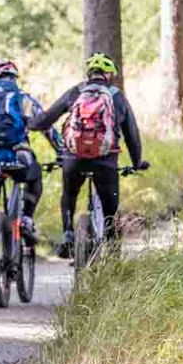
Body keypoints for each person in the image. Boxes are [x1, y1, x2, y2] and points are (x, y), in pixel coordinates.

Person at [31, 52, 148, 258]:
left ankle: (68, 234)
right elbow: (132, 134)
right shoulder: (117, 96)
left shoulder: (75, 92)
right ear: (109, 75)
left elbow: (46, 119)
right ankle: (112, 252)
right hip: (105, 161)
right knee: (110, 208)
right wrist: (137, 162)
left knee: (69, 194)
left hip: (73, 158)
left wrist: (29, 123)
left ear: (89, 73)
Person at [0, 58, 59, 283]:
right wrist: (61, 152)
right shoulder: (23, 99)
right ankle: (27, 218)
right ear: (14, 78)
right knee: (34, 175)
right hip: (19, 157)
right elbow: (45, 125)